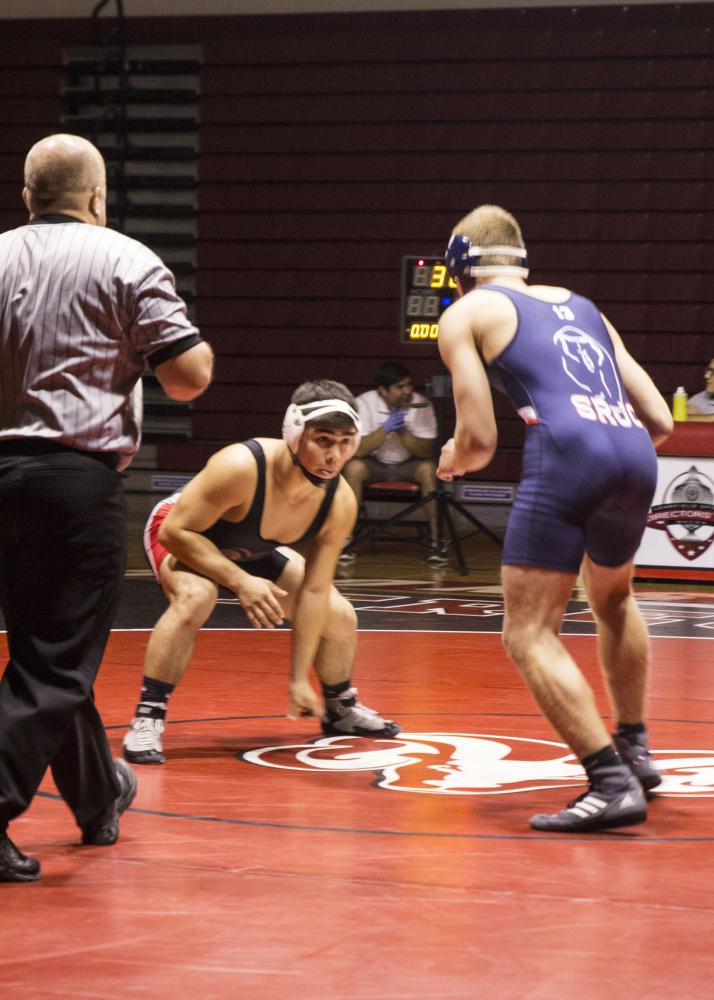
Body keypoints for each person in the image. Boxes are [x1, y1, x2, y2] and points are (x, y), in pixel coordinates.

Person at [0, 134, 214, 882]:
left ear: (28, 196)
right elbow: (187, 377)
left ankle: (97, 798)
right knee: (54, 663)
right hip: (71, 482)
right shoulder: (125, 258)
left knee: (48, 654)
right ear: (97, 197)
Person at [437, 205, 673, 833]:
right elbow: (662, 419)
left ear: (460, 266)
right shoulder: (585, 305)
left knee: (528, 631)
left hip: (569, 456)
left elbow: (480, 441)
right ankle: (636, 747)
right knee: (614, 601)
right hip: (634, 453)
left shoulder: (464, 314)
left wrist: (451, 458)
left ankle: (610, 780)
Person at [122, 380, 400, 766]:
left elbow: (315, 594)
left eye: (345, 441)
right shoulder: (241, 466)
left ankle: (339, 707)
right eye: (323, 440)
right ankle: (148, 717)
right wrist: (239, 580)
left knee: (340, 615)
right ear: (294, 433)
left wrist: (299, 679)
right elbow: (176, 533)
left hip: (254, 546)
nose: (334, 455)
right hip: (188, 532)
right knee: (197, 598)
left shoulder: (339, 501)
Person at [341, 361, 446, 563]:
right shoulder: (363, 403)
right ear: (383, 390)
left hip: (409, 464)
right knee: (353, 468)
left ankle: (437, 540)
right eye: (400, 387)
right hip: (375, 462)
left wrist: (403, 431)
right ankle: (346, 540)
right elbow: (359, 449)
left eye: (408, 385)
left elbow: (426, 451)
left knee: (429, 470)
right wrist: (385, 429)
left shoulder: (421, 403)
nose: (407, 391)